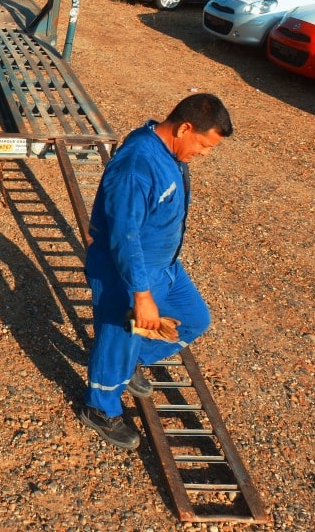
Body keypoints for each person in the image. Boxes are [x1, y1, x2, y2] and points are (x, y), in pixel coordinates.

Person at [79, 93, 233, 449]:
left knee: (195, 318)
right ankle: (99, 407)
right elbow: (124, 235)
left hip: (164, 265)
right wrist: (142, 295)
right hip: (127, 271)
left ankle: (129, 363)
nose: (204, 154)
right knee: (117, 337)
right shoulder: (137, 164)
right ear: (184, 128)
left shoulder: (167, 151)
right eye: (204, 145)